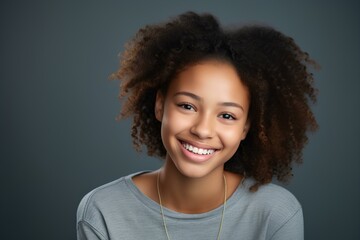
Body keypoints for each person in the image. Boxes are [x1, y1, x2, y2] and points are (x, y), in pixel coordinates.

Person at [77, 12, 318, 240]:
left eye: (226, 115)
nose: (202, 130)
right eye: (187, 106)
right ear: (160, 105)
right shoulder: (103, 210)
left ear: (246, 127)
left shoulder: (275, 214)